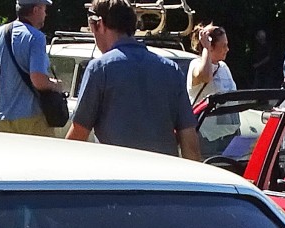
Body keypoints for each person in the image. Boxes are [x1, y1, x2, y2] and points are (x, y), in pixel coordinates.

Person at [66, 0, 200, 158]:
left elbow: (78, 136)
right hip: (163, 176)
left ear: (99, 24)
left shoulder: (99, 69)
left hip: (118, 176)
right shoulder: (171, 69)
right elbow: (189, 141)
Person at [0, 0, 58, 137]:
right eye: (44, 9)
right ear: (35, 10)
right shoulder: (36, 38)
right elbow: (38, 80)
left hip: (3, 118)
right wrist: (55, 85)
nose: (45, 14)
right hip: (32, 118)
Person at [186, 22, 233, 107]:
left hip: (227, 120)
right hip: (204, 120)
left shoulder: (223, 67)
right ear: (211, 47)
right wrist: (206, 47)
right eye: (223, 46)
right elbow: (206, 76)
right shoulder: (196, 64)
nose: (227, 49)